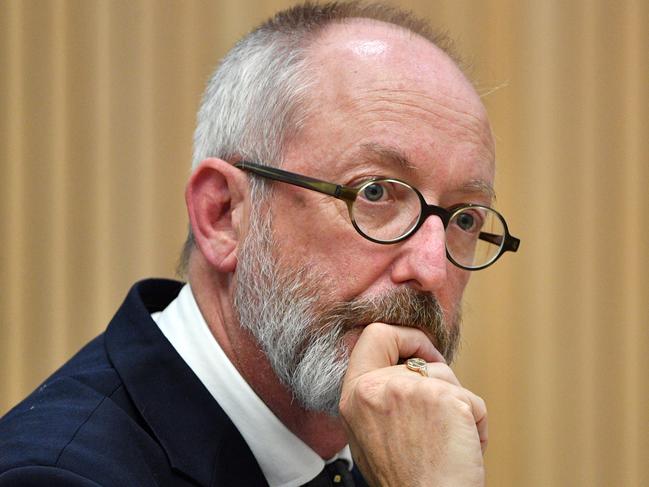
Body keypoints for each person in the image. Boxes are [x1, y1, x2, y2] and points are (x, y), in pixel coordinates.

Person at [0, 2, 520, 486]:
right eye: (374, 192)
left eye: (464, 218)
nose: (431, 269)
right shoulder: (58, 473)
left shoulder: (391, 457)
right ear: (223, 215)